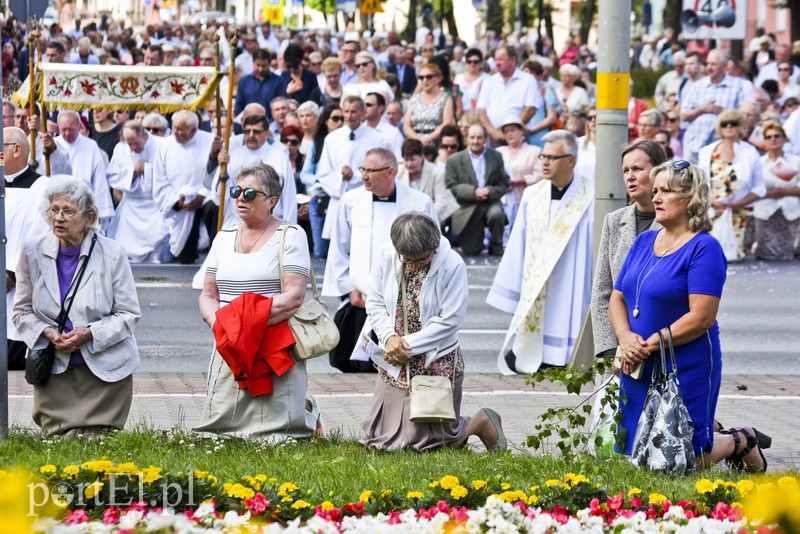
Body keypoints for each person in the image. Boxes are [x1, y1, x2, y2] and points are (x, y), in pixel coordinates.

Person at [610, 160, 768, 473]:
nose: (655, 197)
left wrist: (648, 344)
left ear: (690, 199)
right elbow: (617, 297)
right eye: (655, 190)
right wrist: (626, 339)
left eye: (666, 191)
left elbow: (702, 317)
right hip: (639, 360)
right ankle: (724, 436)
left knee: (685, 459)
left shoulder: (704, 248)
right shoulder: (643, 242)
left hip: (687, 361)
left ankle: (740, 441)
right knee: (638, 448)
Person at [361, 212, 506, 452]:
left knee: (430, 443)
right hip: (395, 355)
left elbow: (450, 320)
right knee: (382, 440)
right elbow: (374, 302)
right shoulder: (387, 255)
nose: (412, 265)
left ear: (434, 246)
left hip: (434, 356)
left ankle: (481, 421)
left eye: (420, 260)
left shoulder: (453, 265)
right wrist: (388, 337)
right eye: (406, 259)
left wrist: (405, 344)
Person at [195, 163, 319, 441]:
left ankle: (308, 412)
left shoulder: (290, 234)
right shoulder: (223, 237)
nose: (240, 198)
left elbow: (293, 297)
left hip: (273, 341)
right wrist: (221, 325)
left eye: (250, 193)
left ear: (272, 201)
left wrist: (242, 324)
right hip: (228, 341)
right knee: (221, 427)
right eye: (237, 191)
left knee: (279, 431)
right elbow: (208, 294)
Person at [13, 178, 141, 437]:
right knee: (59, 440)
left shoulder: (113, 253)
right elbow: (21, 312)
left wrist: (90, 332)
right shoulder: (32, 251)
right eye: (54, 209)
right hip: (55, 371)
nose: (58, 217)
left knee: (97, 440)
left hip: (104, 373)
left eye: (68, 211)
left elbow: (128, 314)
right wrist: (47, 332)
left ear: (89, 217)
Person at [321, 148, 437, 373]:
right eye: (362, 169)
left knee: (400, 364)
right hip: (361, 295)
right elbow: (339, 249)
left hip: (404, 296)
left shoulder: (419, 202)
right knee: (351, 362)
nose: (363, 176)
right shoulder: (350, 201)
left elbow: (433, 248)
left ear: (390, 172)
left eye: (370, 171)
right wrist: (349, 289)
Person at [487, 130, 594, 374]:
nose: (544, 162)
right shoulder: (532, 195)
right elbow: (518, 243)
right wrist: (512, 291)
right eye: (542, 157)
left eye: (551, 158)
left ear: (570, 160)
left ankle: (569, 355)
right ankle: (539, 356)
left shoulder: (590, 196)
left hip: (574, 277)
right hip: (536, 281)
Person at [591, 140, 669, 359]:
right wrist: (610, 350)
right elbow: (602, 291)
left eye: (637, 169)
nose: (630, 176)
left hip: (658, 346)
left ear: (658, 171)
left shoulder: (678, 223)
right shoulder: (614, 221)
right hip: (618, 348)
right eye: (625, 170)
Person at [4, 128, 50, 370]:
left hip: (19, 280)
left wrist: (12, 272)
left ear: (17, 149)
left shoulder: (41, 188)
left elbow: (39, 233)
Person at [314, 96, 387, 242]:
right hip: (338, 198)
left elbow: (382, 170)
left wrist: (356, 176)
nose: (349, 116)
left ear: (362, 112)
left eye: (353, 112)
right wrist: (340, 176)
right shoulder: (332, 138)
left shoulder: (376, 138)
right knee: (337, 247)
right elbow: (323, 172)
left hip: (365, 199)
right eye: (346, 111)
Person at [153, 110, 220, 264]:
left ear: (194, 130)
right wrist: (178, 201)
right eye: (174, 127)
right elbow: (160, 180)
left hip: (206, 196)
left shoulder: (211, 142)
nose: (176, 132)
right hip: (179, 202)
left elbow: (217, 173)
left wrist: (202, 195)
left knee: (213, 208)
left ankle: (217, 254)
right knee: (185, 258)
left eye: (181, 129)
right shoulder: (165, 146)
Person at [698, 110, 766, 261]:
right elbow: (698, 184)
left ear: (740, 127)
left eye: (733, 123)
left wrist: (739, 203)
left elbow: (759, 187)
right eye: (724, 124)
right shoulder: (706, 152)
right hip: (712, 209)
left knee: (734, 255)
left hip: (739, 209)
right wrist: (711, 202)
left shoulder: (750, 151)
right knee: (710, 254)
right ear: (719, 128)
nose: (729, 126)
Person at [106, 121, 168, 263]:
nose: (133, 148)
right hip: (132, 202)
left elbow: (169, 173)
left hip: (154, 203)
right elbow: (112, 175)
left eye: (136, 143)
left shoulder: (161, 145)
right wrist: (132, 172)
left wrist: (147, 169)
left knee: (157, 241)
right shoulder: (120, 148)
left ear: (144, 135)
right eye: (129, 144)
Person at [444, 124, 510, 256]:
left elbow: (504, 182)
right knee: (471, 250)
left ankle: (496, 245)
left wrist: (489, 191)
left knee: (497, 214)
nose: (475, 141)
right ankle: (476, 242)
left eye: (479, 137)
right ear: (466, 139)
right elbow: (451, 186)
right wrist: (473, 192)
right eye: (472, 137)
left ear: (485, 139)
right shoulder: (454, 160)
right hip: (468, 205)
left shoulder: (496, 156)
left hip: (490, 202)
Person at [681, 49, 747, 163]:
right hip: (694, 144)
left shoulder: (737, 86)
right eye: (707, 63)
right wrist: (702, 109)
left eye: (713, 64)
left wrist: (725, 113)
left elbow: (743, 116)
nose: (709, 67)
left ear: (724, 66)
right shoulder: (698, 86)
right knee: (689, 179)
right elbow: (684, 115)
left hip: (721, 147)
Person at [52, 111, 114, 221]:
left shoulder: (91, 146)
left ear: (80, 126)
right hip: (58, 204)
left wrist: (101, 211)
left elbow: (99, 180)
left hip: (83, 205)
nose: (66, 133)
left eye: (70, 129)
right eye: (63, 130)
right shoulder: (53, 145)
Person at [300, 104, 343, 259]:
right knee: (321, 251)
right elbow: (305, 174)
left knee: (341, 251)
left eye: (342, 119)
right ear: (326, 121)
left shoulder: (348, 142)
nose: (340, 122)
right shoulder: (317, 143)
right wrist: (322, 180)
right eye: (335, 118)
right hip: (320, 198)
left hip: (340, 199)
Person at [753, 123, 800, 261]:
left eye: (777, 136)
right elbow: (752, 189)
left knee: (789, 254)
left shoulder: (796, 161)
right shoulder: (758, 163)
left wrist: (786, 192)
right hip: (765, 212)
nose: (773, 139)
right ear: (765, 141)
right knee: (768, 255)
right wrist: (770, 193)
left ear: (784, 139)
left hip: (790, 211)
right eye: (769, 137)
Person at [476, 45, 540, 147]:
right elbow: (481, 111)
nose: (497, 62)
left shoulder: (528, 80)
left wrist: (510, 130)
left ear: (513, 60)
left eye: (501, 59)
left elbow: (530, 109)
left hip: (518, 137)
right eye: (496, 59)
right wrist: (493, 132)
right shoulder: (489, 81)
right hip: (493, 139)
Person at [496, 115, 543, 226]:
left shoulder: (534, 151)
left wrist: (521, 180)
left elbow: (541, 175)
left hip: (526, 200)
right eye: (506, 132)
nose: (509, 134)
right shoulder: (499, 152)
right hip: (503, 200)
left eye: (512, 130)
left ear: (521, 131)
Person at [396, 138, 459, 222]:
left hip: (430, 220)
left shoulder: (436, 173)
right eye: (406, 160)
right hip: (404, 220)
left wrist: (421, 218)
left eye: (412, 160)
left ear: (422, 157)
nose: (409, 164)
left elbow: (441, 202)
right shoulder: (399, 172)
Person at [403, 63, 455, 145]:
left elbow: (447, 122)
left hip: (436, 143)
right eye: (421, 77)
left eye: (429, 77)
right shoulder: (414, 99)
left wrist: (428, 138)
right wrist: (419, 139)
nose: (425, 80)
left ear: (438, 78)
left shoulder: (446, 98)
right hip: (415, 143)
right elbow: (406, 126)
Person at [234, 49, 285, 119]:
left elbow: (281, 105)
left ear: (269, 64)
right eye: (258, 65)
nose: (260, 69)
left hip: (271, 124)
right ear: (253, 62)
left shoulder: (278, 81)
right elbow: (238, 107)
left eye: (264, 66)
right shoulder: (244, 81)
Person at [364, 92, 404, 159]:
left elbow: (399, 160)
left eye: (369, 105)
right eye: (363, 105)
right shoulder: (358, 131)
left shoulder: (392, 133)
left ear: (380, 108)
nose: (364, 108)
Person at [454, 48, 488, 115]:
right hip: (461, 116)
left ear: (480, 63)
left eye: (475, 62)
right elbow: (454, 95)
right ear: (466, 63)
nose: (472, 64)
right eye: (469, 62)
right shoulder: (458, 78)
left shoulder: (487, 79)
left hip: (480, 116)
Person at [575, 108, 597, 181]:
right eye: (590, 118)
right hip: (582, 188)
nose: (593, 120)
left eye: (596, 117)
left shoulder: (609, 145)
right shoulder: (577, 143)